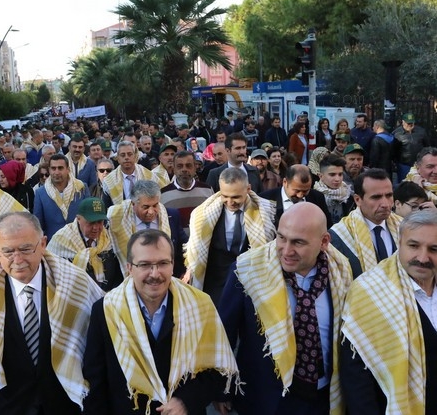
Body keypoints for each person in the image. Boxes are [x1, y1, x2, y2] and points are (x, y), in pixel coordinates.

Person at [0, 212, 105, 415]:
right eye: (8, 251)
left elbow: (99, 348)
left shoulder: (77, 284)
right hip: (10, 408)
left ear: (43, 244)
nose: (18, 259)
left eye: (25, 249)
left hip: (65, 406)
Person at [83, 229, 239, 415]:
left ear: (173, 265)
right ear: (129, 268)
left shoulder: (200, 305)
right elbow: (96, 383)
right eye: (145, 265)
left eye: (163, 263)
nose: (155, 274)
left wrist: (185, 401)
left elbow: (217, 369)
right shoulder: (106, 310)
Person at [218, 202, 352, 415]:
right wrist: (222, 390)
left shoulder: (342, 271)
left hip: (325, 397)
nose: (286, 250)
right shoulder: (247, 270)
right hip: (265, 400)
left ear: (324, 241)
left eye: (298, 242)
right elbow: (223, 333)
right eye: (281, 238)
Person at [339, 209, 437, 414]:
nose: (423, 257)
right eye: (414, 246)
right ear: (399, 242)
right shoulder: (369, 292)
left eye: (434, 249)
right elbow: (357, 378)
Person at [184, 168, 276, 305]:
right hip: (215, 286)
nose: (230, 202)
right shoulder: (203, 215)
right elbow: (197, 251)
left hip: (250, 285)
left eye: (236, 197)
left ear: (248, 189)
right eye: (225, 196)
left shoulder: (265, 212)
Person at [107, 180, 188, 278]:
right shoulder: (118, 219)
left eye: (155, 206)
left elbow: (184, 247)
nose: (151, 212)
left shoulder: (170, 216)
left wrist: (186, 271)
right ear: (133, 204)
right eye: (145, 207)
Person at [329, 169, 400, 278]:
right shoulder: (339, 236)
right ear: (358, 200)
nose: (385, 204)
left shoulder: (403, 226)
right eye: (376, 197)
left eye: (389, 195)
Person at [47, 197, 123, 291]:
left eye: (100, 222)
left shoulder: (109, 237)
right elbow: (50, 273)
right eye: (91, 222)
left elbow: (118, 272)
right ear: (78, 219)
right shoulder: (61, 240)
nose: (96, 228)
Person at [34, 154, 89, 240]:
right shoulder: (40, 193)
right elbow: (38, 225)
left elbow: (88, 217)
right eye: (53, 168)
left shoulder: (81, 187)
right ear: (49, 170)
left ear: (68, 169)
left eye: (60, 168)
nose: (56, 172)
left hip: (79, 242)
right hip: (53, 245)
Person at [260, 164, 333, 229]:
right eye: (297, 190)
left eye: (305, 191)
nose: (300, 195)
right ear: (285, 182)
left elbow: (327, 226)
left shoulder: (317, 198)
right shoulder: (265, 199)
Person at [159, 151, 213, 234]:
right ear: (174, 168)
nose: (184, 169)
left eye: (188, 166)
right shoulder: (163, 194)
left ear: (195, 167)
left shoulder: (208, 191)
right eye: (180, 166)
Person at [102, 141, 157, 206]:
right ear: (118, 158)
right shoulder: (109, 181)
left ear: (135, 156)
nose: (126, 157)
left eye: (130, 154)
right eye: (123, 155)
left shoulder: (148, 176)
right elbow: (108, 209)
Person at [313, 155, 354, 225]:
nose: (337, 179)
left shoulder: (348, 194)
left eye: (340, 174)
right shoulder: (313, 197)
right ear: (321, 176)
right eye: (332, 175)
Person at [393, 112, 430, 182]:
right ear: (403, 122)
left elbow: (427, 146)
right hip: (404, 165)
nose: (410, 125)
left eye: (412, 123)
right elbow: (393, 150)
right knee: (404, 184)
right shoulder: (396, 133)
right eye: (408, 123)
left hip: (419, 164)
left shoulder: (421, 132)